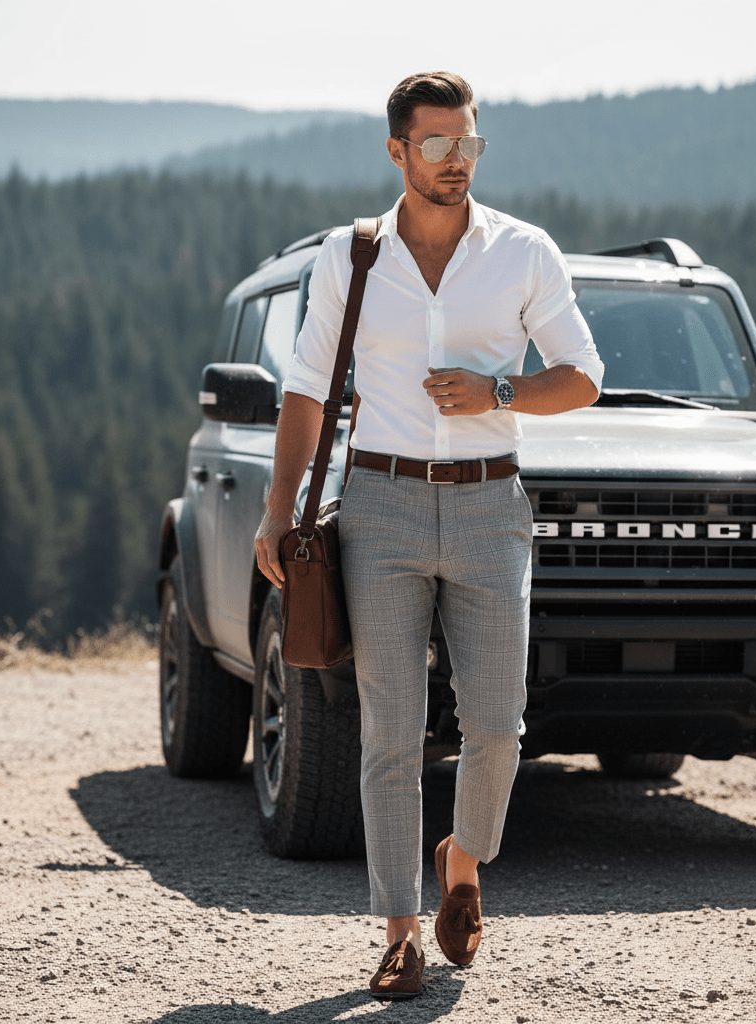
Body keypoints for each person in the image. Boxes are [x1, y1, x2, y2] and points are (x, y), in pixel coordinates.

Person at [253, 70, 604, 1000]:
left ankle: (463, 856)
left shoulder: (523, 252)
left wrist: (498, 391)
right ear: (398, 151)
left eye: (468, 143)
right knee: (391, 733)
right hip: (381, 507)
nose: (457, 161)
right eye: (438, 144)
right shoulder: (352, 256)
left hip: (492, 508)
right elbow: (306, 389)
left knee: (497, 725)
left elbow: (582, 376)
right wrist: (280, 508)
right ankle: (400, 932)